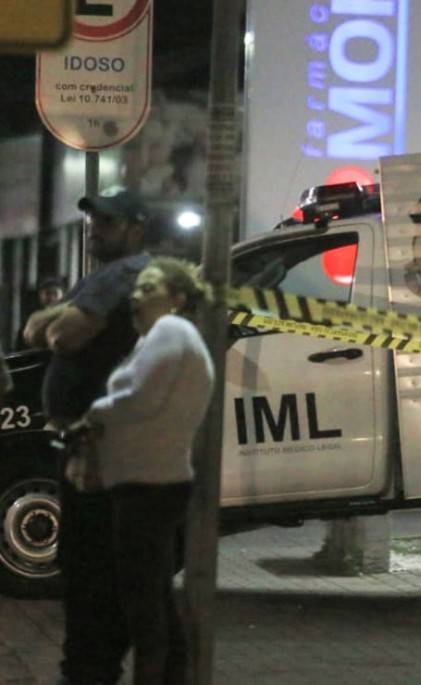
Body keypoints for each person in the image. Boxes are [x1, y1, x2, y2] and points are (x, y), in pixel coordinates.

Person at [23, 189, 151, 685]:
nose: (96, 230)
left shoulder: (125, 273)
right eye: (94, 221)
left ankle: (88, 671)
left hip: (104, 450)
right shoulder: (101, 278)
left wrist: (62, 321)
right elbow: (36, 327)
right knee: (90, 567)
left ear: (137, 227)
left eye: (109, 223)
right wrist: (61, 318)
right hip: (90, 446)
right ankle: (88, 667)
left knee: (93, 568)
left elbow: (59, 337)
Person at [70, 257, 214, 685]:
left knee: (143, 600)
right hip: (146, 484)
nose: (135, 296)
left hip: (148, 487)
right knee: (153, 595)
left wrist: (93, 415)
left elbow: (141, 398)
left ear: (176, 298)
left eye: (147, 288)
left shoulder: (172, 331)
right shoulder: (159, 337)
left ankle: (156, 676)